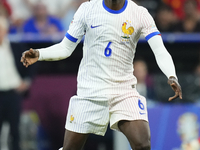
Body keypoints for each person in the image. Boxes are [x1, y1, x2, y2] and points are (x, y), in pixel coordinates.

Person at [21, 0, 182, 150]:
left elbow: (160, 50)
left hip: (124, 92)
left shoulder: (139, 14)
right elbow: (65, 48)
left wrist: (171, 75)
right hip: (90, 93)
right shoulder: (87, 10)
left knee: (143, 144)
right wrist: (39, 53)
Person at [0, 16, 34, 150]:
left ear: (5, 30)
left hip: (14, 93)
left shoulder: (16, 46)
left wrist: (26, 81)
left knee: (15, 129)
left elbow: (32, 62)